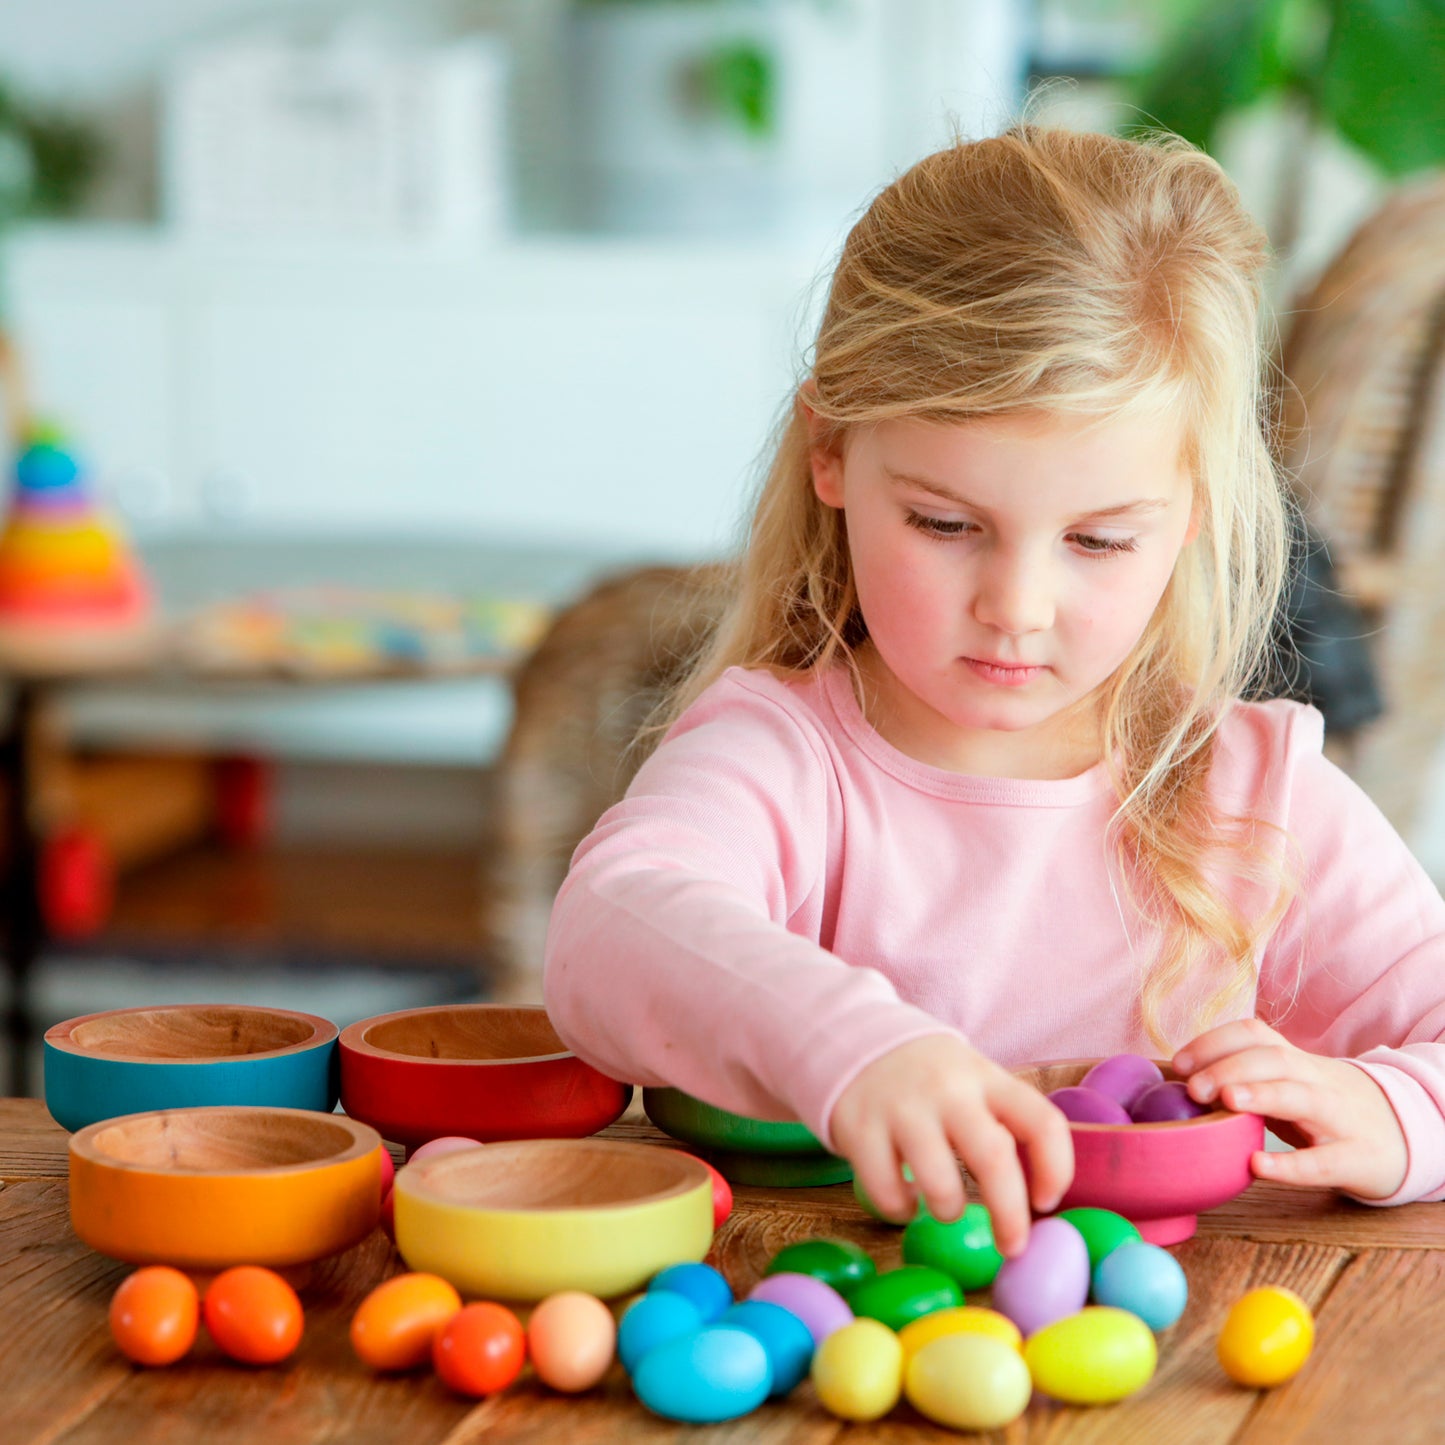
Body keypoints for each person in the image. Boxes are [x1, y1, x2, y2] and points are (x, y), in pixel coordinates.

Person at [543, 125, 1445, 1257]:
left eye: (1099, 539)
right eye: (945, 524)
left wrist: (1397, 1110)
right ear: (830, 452)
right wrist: (852, 1045)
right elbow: (606, 928)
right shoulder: (784, 755)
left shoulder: (1252, 795)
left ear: (1197, 508)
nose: (1017, 604)